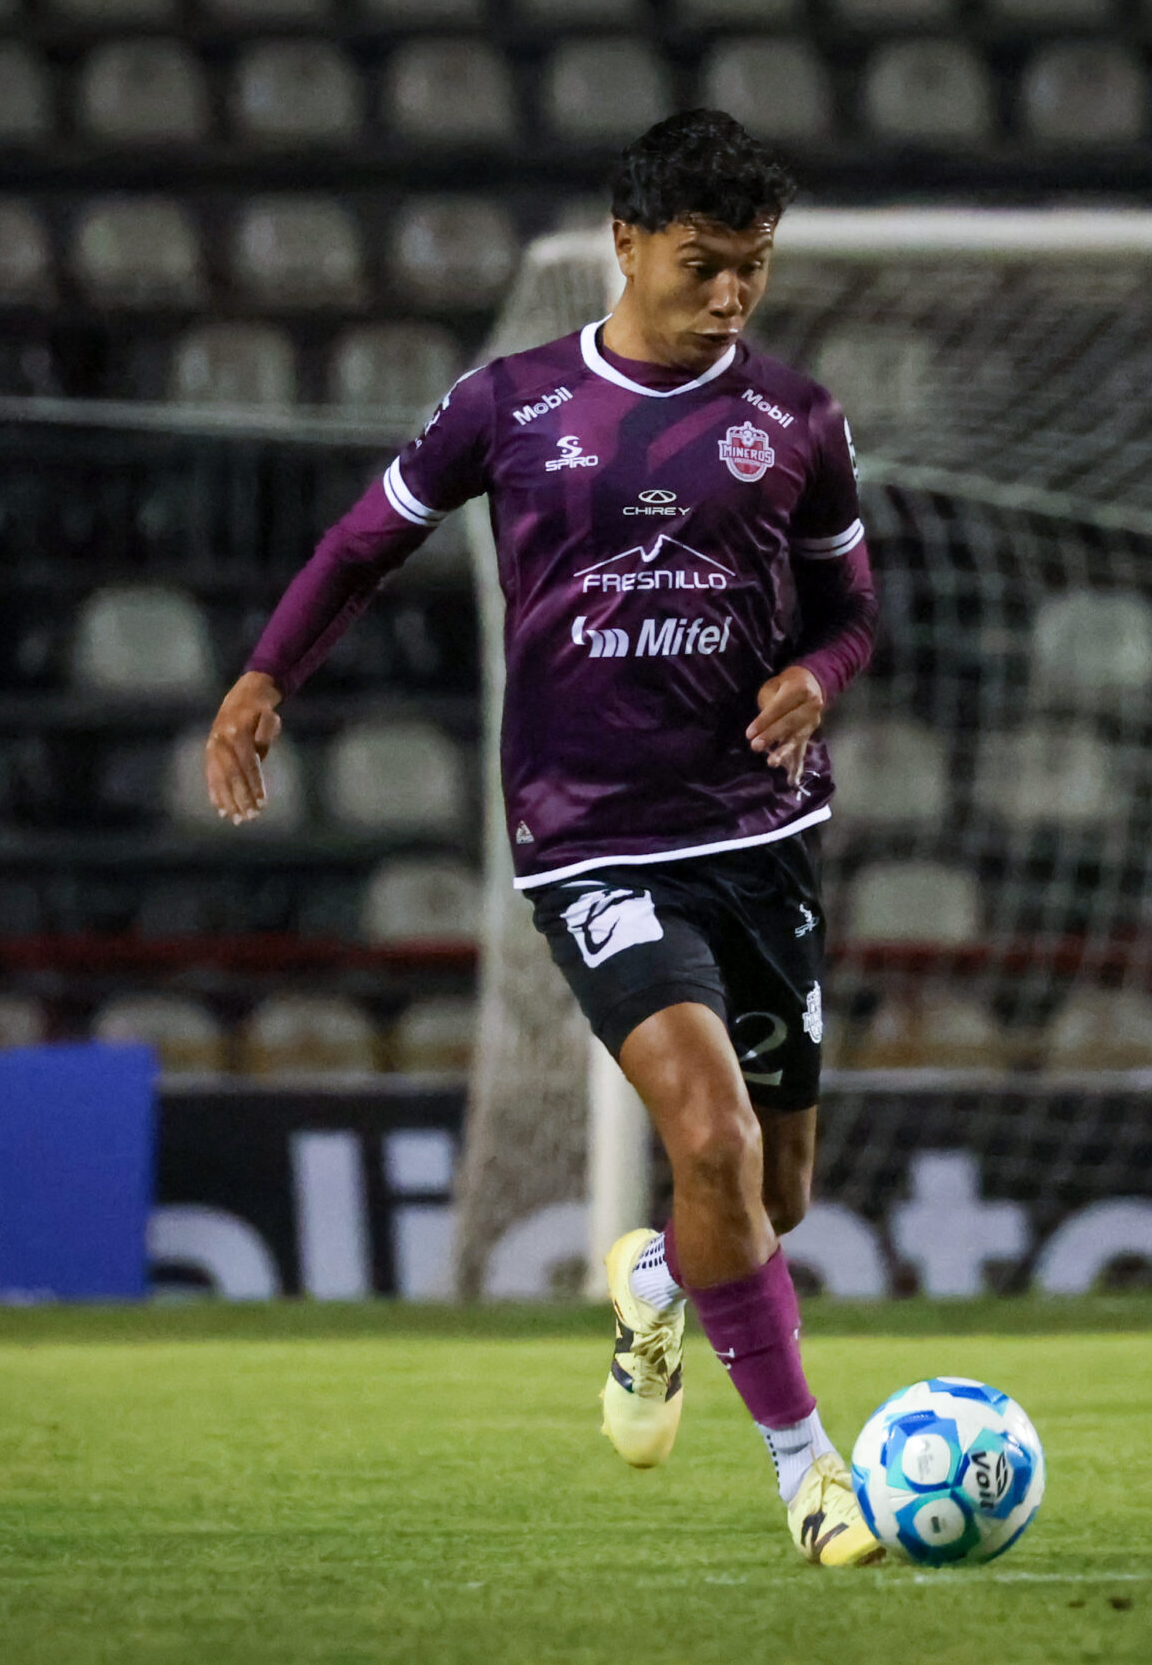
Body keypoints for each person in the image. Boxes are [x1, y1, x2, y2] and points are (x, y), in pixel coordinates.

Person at [206, 112, 883, 1562]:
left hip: (763, 832)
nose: (730, 294)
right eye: (702, 263)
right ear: (624, 243)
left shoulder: (799, 420)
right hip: (592, 838)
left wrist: (817, 677)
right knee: (710, 1136)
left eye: (753, 266)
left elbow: (852, 612)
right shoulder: (511, 403)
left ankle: (659, 1282)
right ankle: (810, 1475)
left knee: (770, 1193)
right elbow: (361, 544)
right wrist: (266, 679)